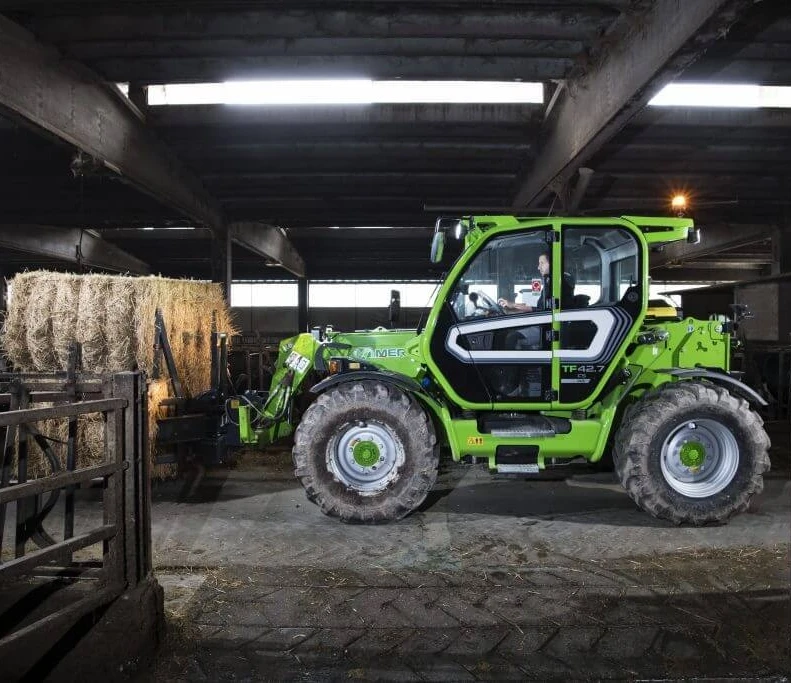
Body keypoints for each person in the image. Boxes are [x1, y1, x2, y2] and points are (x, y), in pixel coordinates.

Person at [498, 252, 574, 313]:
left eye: (542, 263)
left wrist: (513, 305)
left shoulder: (559, 283)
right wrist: (512, 306)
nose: (538, 267)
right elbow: (538, 308)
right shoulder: (550, 282)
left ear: (553, 263)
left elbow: (540, 310)